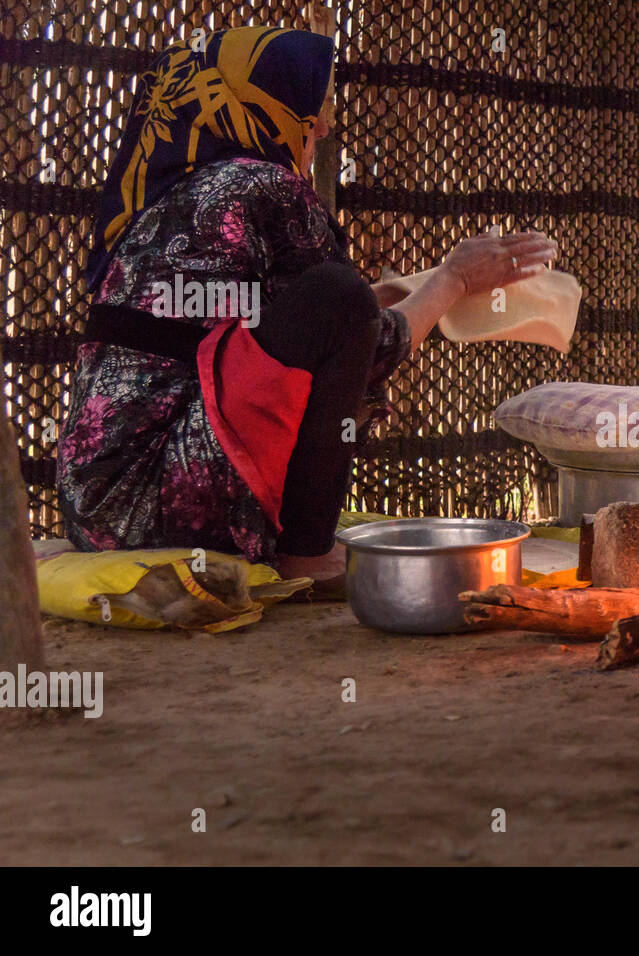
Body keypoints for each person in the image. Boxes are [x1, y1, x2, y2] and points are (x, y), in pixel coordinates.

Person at [57, 26, 556, 587]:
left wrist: (402, 294)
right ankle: (307, 553)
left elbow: (271, 328)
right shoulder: (266, 187)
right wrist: (455, 279)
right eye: (312, 107)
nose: (323, 126)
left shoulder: (188, 190)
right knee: (339, 295)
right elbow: (361, 341)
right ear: (266, 107)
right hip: (159, 502)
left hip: (99, 507)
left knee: (343, 298)